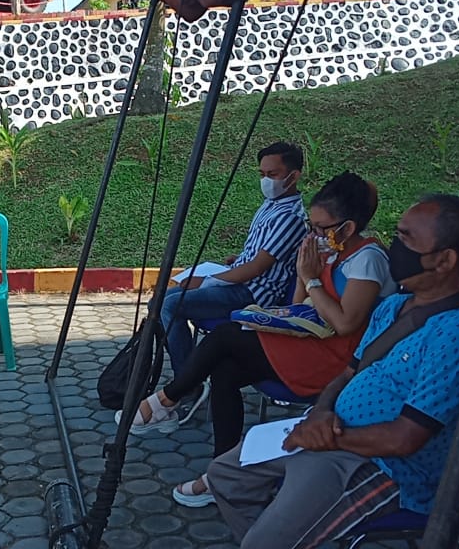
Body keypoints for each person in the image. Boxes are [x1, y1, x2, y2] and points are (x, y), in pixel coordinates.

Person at [205, 195, 459, 549]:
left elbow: (405, 439)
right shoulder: (396, 307)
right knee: (225, 475)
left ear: (444, 260)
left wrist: (326, 437)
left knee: (263, 542)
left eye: (407, 240)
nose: (394, 248)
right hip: (328, 433)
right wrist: (321, 413)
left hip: (384, 467)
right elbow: (347, 374)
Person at [118, 172, 395, 508]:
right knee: (225, 370)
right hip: (308, 340)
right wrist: (303, 272)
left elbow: (346, 322)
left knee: (225, 337)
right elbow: (297, 308)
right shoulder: (330, 253)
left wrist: (312, 279)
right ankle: (223, 473)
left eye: (322, 228)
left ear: (348, 228)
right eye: (312, 226)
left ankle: (169, 399)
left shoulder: (367, 259)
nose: (315, 234)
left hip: (337, 359)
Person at [159, 142, 309, 383]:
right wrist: (240, 258)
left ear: (294, 176)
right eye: (262, 174)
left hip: (252, 293)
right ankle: (188, 371)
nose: (266, 180)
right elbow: (259, 255)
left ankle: (185, 381)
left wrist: (206, 282)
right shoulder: (271, 204)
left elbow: (257, 268)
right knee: (162, 300)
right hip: (241, 279)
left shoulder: (290, 217)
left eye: (273, 174)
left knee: (170, 306)